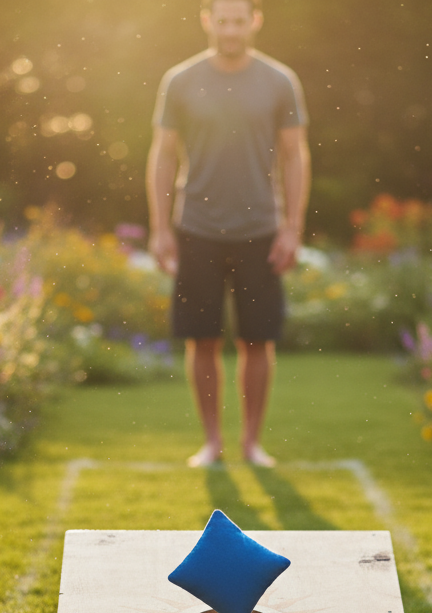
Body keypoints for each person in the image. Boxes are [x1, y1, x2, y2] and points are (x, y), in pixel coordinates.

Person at [147, 0, 310, 467]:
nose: (232, 29)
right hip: (195, 229)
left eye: (240, 20)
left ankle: (251, 443)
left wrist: (293, 227)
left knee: (258, 340)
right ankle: (213, 442)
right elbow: (162, 154)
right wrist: (160, 228)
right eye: (223, 21)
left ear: (254, 22)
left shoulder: (280, 81)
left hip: (261, 229)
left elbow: (295, 154)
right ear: (208, 22)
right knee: (202, 339)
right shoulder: (179, 80)